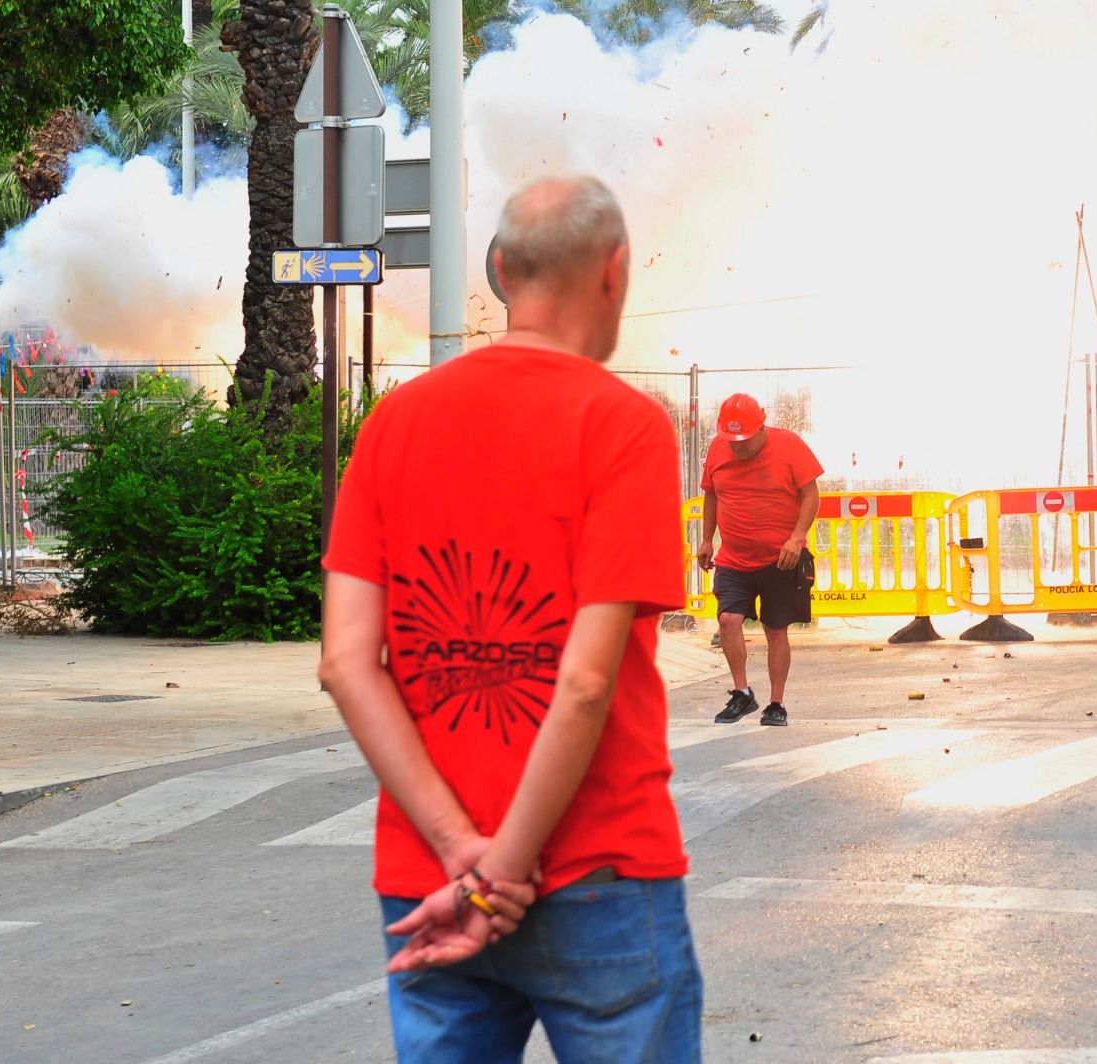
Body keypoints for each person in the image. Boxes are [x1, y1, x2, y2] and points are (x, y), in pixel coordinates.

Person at [319, 175, 702, 1063]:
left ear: (499, 269)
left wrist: (463, 853)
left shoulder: (392, 424)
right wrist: (504, 872)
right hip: (598, 868)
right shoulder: (625, 429)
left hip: (427, 875)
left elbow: (345, 662)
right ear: (615, 273)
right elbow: (586, 681)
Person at [696, 393, 823, 727]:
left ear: (761, 426)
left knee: (775, 630)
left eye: (744, 440)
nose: (737, 447)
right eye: (731, 440)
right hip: (734, 558)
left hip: (779, 558)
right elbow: (711, 493)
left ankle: (776, 703)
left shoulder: (789, 445)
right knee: (727, 620)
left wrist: (797, 537)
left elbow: (811, 494)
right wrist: (708, 538)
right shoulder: (718, 449)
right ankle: (742, 693)